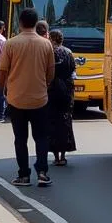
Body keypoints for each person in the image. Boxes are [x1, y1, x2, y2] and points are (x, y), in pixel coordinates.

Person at [0, 7, 55, 187]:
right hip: (40, 98)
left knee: (20, 139)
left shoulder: (11, 44)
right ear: (36, 22)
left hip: (16, 98)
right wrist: (44, 85)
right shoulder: (46, 44)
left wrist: (3, 90)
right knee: (41, 137)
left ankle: (23, 175)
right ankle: (43, 172)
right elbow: (50, 72)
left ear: (20, 23)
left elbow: (2, 71)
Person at [47, 29, 76, 166]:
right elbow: (73, 71)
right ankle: (63, 155)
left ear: (52, 39)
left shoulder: (49, 53)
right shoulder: (69, 52)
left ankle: (56, 156)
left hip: (52, 91)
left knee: (52, 122)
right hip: (66, 92)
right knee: (65, 121)